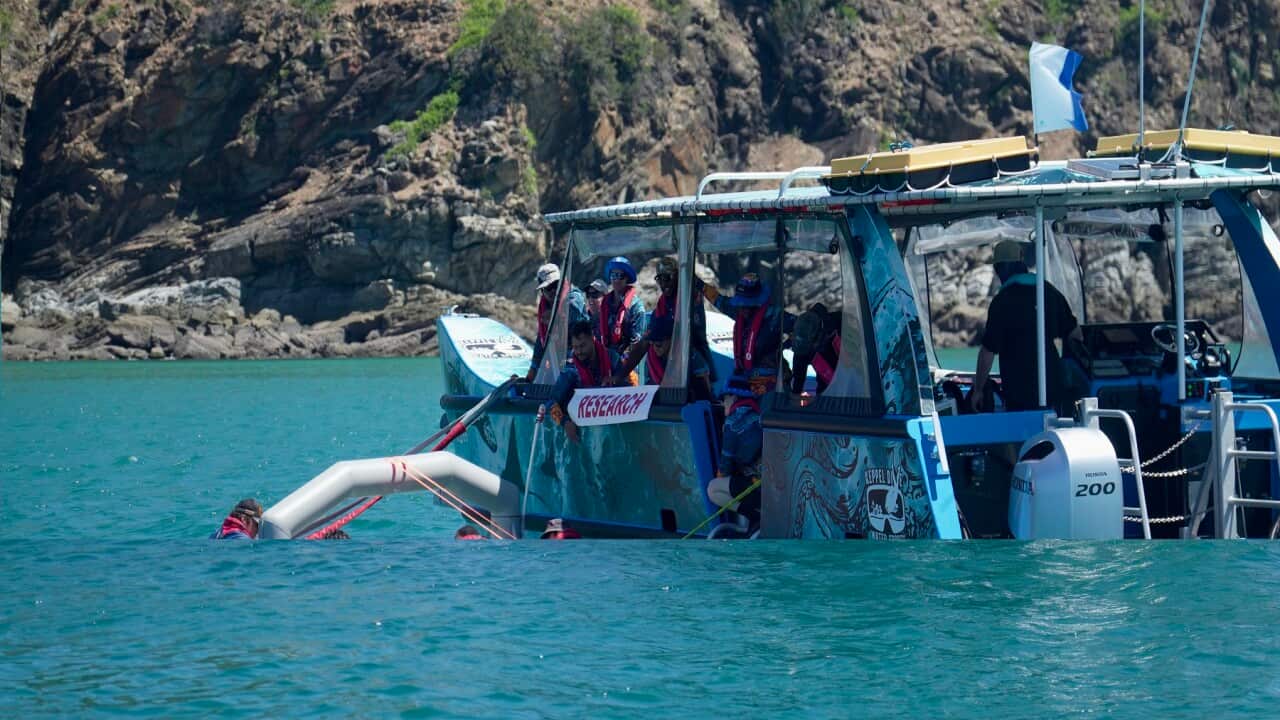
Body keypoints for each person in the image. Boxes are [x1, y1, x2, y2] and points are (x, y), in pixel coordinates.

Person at [971, 240, 1084, 412]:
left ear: (1000, 269)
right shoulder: (1048, 291)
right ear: (1021, 263)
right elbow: (1075, 335)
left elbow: (988, 351)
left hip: (1019, 392)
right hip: (1053, 386)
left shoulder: (1002, 301)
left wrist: (978, 390)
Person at [609, 256, 714, 399]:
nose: (664, 283)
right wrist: (619, 376)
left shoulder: (690, 296)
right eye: (660, 279)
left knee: (701, 387)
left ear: (678, 276)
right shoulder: (662, 304)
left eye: (668, 278)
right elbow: (646, 340)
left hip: (690, 355)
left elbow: (686, 331)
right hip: (666, 357)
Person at [701, 272, 795, 393]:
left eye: (747, 305)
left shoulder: (774, 317)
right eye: (740, 304)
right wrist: (698, 284)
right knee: (727, 398)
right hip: (745, 376)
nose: (742, 308)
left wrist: (784, 346)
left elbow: (800, 328)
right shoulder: (738, 311)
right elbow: (718, 300)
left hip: (771, 379)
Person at [548, 320, 638, 442]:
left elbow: (631, 391)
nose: (579, 352)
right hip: (584, 435)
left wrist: (615, 383)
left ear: (592, 339)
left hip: (615, 431)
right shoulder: (571, 371)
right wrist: (565, 422)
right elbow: (551, 403)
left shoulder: (612, 359)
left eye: (582, 346)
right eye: (575, 348)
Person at [706, 375, 764, 530]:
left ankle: (755, 517)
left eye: (725, 398)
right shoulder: (758, 415)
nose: (723, 402)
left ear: (734, 397)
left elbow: (725, 467)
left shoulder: (732, 422)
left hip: (758, 488)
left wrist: (720, 475)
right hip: (772, 486)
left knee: (713, 488)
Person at [526, 263, 588, 383]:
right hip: (559, 361)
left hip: (582, 355)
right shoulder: (544, 308)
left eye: (556, 285)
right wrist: (533, 368)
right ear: (542, 291)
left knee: (567, 376)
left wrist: (554, 316)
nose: (554, 290)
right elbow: (541, 340)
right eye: (549, 288)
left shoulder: (574, 296)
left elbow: (572, 312)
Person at [597, 256, 646, 357]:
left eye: (621, 276)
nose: (616, 279)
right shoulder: (605, 303)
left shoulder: (636, 306)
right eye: (613, 275)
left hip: (628, 360)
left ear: (627, 278)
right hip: (606, 356)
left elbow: (636, 343)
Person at [790, 303, 842, 396]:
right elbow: (798, 379)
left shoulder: (840, 321)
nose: (808, 351)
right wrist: (794, 400)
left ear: (820, 336)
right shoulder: (801, 346)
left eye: (811, 347)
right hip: (829, 387)